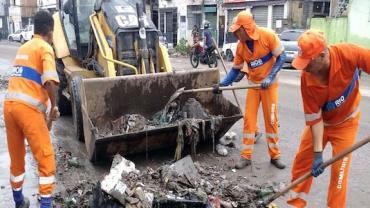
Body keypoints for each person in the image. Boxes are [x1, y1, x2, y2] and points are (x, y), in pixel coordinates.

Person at [287, 29, 370, 208]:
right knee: (302, 162)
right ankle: (296, 203)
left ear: (322, 55)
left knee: (339, 172)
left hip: (346, 123)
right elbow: (314, 118)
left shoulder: (349, 53)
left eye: (308, 62)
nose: (305, 67)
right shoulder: (306, 79)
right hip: (322, 123)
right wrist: (318, 154)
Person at [213, 11, 286, 169]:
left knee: (271, 121)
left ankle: (275, 156)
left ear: (246, 29)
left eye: (238, 30)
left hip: (270, 85)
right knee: (249, 121)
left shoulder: (267, 36)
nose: (235, 33)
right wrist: (222, 85)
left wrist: (270, 77)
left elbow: (281, 56)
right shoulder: (241, 47)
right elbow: (235, 70)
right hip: (253, 85)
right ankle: (246, 157)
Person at [4, 10, 60, 208]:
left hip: (9, 108)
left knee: (17, 157)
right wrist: (54, 106)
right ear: (49, 30)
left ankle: (19, 201)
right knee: (46, 158)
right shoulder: (45, 47)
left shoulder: (24, 47)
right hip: (28, 110)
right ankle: (45, 205)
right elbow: (50, 81)